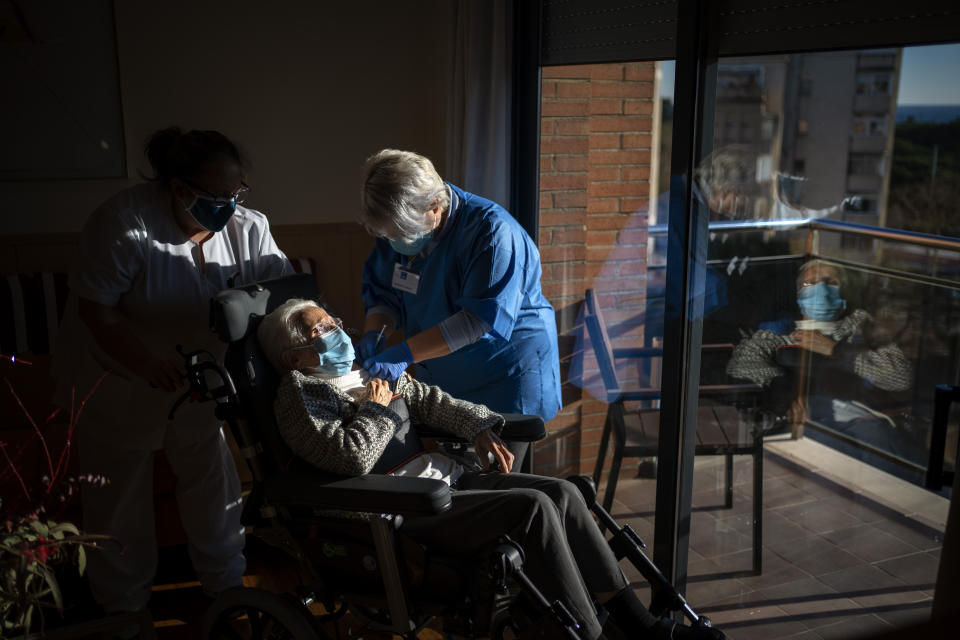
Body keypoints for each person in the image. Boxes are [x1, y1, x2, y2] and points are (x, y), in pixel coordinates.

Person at [256, 298, 725, 640]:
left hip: (443, 482)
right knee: (534, 509)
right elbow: (348, 457)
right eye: (323, 330)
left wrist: (480, 426)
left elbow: (435, 403)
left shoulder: (370, 372)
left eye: (334, 319)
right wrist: (378, 411)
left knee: (564, 493)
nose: (340, 330)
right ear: (294, 358)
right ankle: (593, 637)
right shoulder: (300, 397)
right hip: (397, 510)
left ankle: (639, 625)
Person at [53, 127, 291, 619]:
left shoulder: (248, 227)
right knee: (117, 497)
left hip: (203, 378)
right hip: (119, 375)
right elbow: (96, 312)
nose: (229, 204)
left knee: (212, 481)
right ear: (179, 189)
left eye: (237, 191)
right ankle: (123, 611)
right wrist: (144, 363)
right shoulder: (124, 223)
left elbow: (279, 296)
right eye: (216, 195)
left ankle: (225, 591)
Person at [357, 149, 561, 423]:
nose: (396, 242)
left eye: (402, 233)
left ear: (434, 206)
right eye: (389, 234)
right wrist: (376, 333)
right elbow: (383, 292)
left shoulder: (492, 232)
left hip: (505, 373)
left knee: (498, 462)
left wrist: (404, 352)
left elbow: (477, 321)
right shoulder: (400, 224)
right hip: (445, 374)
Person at [726, 260, 919, 464]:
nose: (821, 288)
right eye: (810, 283)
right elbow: (742, 369)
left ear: (843, 291)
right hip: (802, 426)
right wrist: (785, 396)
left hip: (863, 424)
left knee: (879, 441)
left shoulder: (862, 330)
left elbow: (900, 378)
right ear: (798, 294)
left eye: (830, 281)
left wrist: (835, 349)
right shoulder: (776, 334)